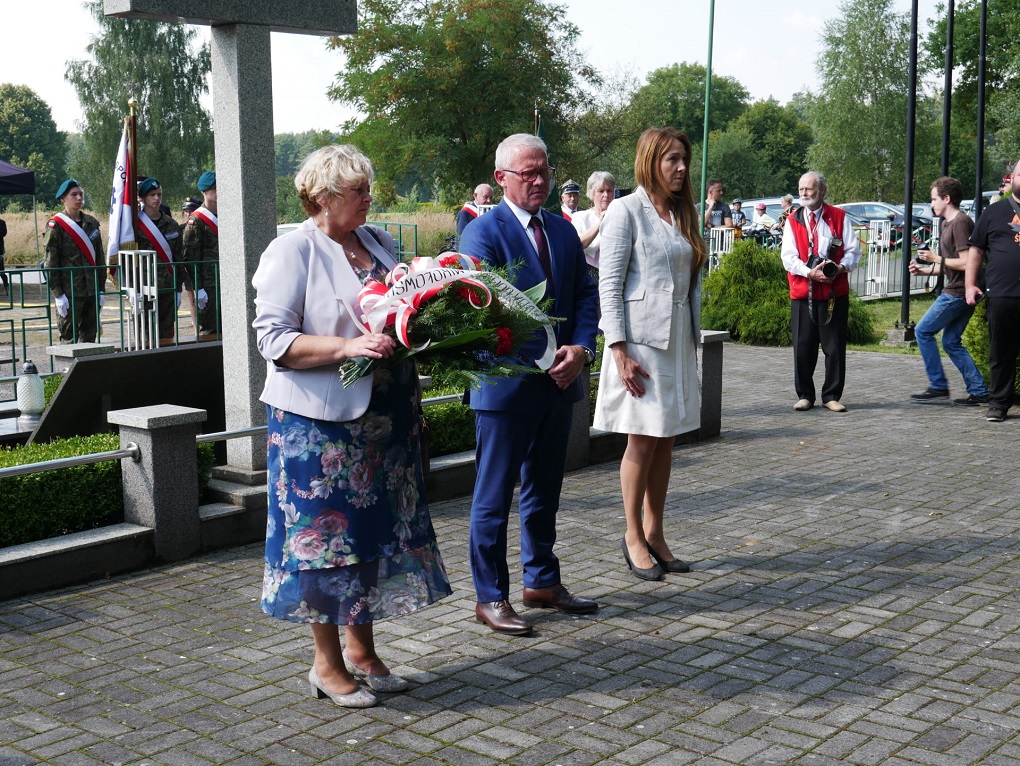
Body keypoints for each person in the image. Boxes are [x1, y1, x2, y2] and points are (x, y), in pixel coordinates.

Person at [252, 145, 452, 708]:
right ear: (322, 197)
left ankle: (362, 651)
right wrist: (347, 346)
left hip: (386, 423)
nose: (369, 198)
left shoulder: (379, 243)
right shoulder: (292, 250)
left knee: (374, 537)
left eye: (368, 187)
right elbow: (274, 342)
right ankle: (326, 663)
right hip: (320, 430)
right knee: (326, 545)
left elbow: (404, 309)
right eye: (357, 190)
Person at [458, 133, 599, 636]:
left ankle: (541, 580)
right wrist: (540, 356)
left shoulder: (561, 230)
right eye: (528, 173)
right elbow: (482, 308)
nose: (540, 181)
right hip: (506, 388)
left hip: (560, 384)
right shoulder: (482, 233)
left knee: (545, 490)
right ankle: (490, 595)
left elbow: (586, 295)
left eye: (545, 171)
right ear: (500, 180)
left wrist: (581, 350)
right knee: (493, 496)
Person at [594, 127, 705, 581]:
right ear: (650, 161)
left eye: (684, 160)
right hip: (639, 343)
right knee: (642, 438)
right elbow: (609, 283)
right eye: (672, 160)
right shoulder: (625, 211)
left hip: (676, 337)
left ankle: (657, 533)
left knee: (666, 437)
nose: (681, 169)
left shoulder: (682, 212)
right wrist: (618, 350)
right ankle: (633, 535)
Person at [780, 171, 861, 412]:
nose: (804, 193)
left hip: (833, 293)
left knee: (834, 346)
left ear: (822, 191)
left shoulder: (838, 216)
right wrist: (808, 272)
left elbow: (853, 251)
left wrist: (840, 267)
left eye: (809, 189)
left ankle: (831, 395)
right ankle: (805, 394)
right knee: (802, 346)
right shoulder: (793, 220)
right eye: (801, 189)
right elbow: (788, 257)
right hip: (803, 291)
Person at [908, 177, 988, 406]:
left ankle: (939, 386)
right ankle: (979, 391)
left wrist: (936, 258)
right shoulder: (946, 223)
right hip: (959, 289)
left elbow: (967, 262)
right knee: (951, 341)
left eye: (934, 199)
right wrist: (926, 270)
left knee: (922, 331)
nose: (931, 204)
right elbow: (950, 263)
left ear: (946, 198)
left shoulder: (961, 223)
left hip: (959, 292)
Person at [965, 159, 1020, 422]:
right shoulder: (993, 212)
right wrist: (969, 284)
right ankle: (998, 403)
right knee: (1001, 352)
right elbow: (976, 250)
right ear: (1011, 178)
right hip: (1002, 294)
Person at [44, 179, 106, 343]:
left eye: (81, 194)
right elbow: (51, 262)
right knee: (69, 339)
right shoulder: (56, 225)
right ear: (63, 198)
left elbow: (99, 257)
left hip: (91, 290)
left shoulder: (91, 223)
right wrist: (58, 294)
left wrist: (101, 288)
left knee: (90, 338)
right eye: (74, 195)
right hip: (70, 291)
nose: (79, 198)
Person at [136, 178, 186, 341]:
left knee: (167, 336)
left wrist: (178, 289)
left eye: (159, 194)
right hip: (144, 288)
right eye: (152, 195)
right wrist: (131, 288)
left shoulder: (171, 224)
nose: (156, 198)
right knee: (146, 337)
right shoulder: (134, 225)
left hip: (167, 288)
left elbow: (178, 258)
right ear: (142, 198)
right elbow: (130, 261)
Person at [182, 171, 219, 336]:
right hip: (209, 284)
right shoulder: (196, 221)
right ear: (204, 192)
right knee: (210, 330)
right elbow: (190, 258)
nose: (219, 192)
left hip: (226, 282)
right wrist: (198, 288)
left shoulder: (228, 215)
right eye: (215, 189)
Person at [570, 171, 616, 279]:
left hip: (616, 272)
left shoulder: (621, 216)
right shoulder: (580, 217)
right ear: (592, 194)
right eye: (601, 191)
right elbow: (578, 244)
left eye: (609, 191)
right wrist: (601, 222)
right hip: (588, 274)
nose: (606, 195)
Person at [0, 215, 7, 294]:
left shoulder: (2, 222)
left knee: (1, 268)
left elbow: (4, 233)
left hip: (0, 249)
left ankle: (5, 283)